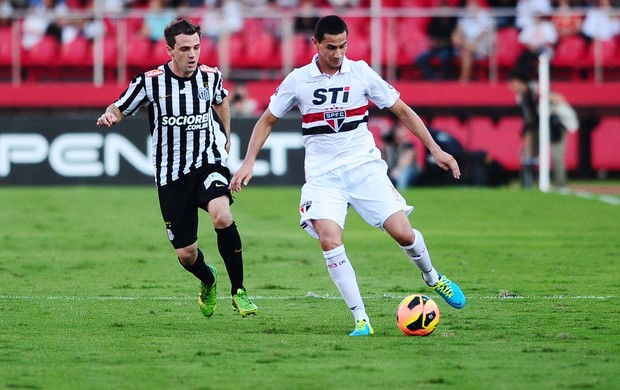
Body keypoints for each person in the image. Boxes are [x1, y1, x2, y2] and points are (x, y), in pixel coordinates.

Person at [230, 15, 466, 337]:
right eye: (331, 47)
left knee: (403, 234)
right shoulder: (299, 80)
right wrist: (248, 162)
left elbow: (402, 111)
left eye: (343, 45)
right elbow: (266, 120)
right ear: (315, 44)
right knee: (330, 240)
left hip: (364, 168)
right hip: (323, 177)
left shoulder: (361, 72)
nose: (338, 53)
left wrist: (435, 149)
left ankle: (432, 276)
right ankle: (361, 319)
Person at [96, 18, 258, 318]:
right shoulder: (150, 81)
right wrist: (109, 117)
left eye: (196, 47)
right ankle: (208, 279)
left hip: (207, 162)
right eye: (185, 49)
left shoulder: (210, 76)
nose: (193, 54)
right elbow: (118, 107)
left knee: (222, 216)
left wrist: (225, 134)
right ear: (169, 50)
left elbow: (221, 102)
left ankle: (239, 291)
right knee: (186, 255)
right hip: (171, 174)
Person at [508, 71, 577, 189]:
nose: (511, 87)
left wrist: (545, 96)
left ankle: (561, 185)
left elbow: (559, 99)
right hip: (538, 127)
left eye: (514, 84)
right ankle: (526, 183)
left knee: (557, 156)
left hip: (557, 125)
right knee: (526, 153)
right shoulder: (520, 98)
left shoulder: (537, 89)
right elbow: (529, 121)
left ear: (522, 83)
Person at [451, 0, 494, 83]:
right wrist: (456, 34)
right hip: (469, 46)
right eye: (469, 5)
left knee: (466, 51)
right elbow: (458, 31)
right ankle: (464, 80)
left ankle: (463, 80)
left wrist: (475, 42)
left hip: (482, 45)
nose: (471, 7)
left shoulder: (485, 15)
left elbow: (486, 31)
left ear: (477, 5)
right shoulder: (465, 17)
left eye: (473, 5)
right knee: (464, 48)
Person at [415, 0, 458, 81]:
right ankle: (434, 77)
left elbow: (454, 38)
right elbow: (429, 34)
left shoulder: (453, 20)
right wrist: (432, 42)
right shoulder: (435, 20)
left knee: (445, 56)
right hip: (435, 48)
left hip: (447, 47)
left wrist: (445, 42)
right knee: (420, 59)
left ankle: (445, 77)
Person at [382, 123, 422, 189]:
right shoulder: (390, 146)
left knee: (403, 172)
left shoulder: (408, 145)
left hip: (409, 170)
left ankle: (401, 189)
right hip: (392, 169)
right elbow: (385, 160)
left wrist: (396, 170)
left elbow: (406, 162)